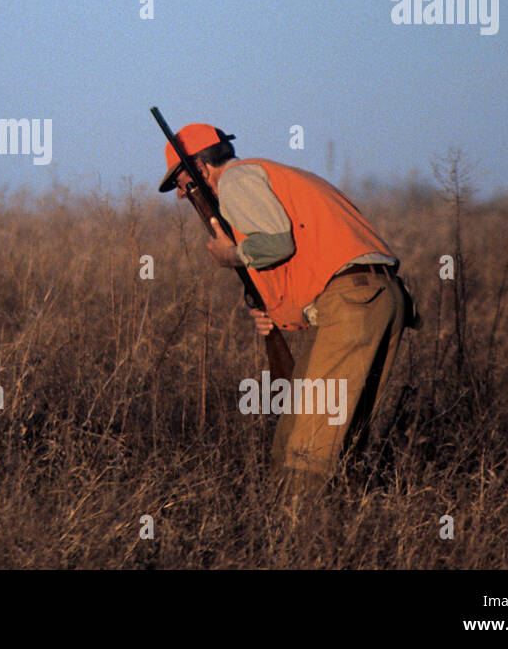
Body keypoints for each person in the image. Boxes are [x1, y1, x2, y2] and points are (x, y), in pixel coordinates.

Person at [158, 123, 418, 496]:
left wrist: (229, 255)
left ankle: (297, 543)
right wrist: (273, 312)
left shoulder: (236, 179)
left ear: (200, 167)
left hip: (352, 302)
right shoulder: (277, 174)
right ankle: (349, 533)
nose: (181, 195)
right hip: (379, 298)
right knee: (341, 444)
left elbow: (277, 244)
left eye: (181, 181)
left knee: (304, 450)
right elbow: (306, 254)